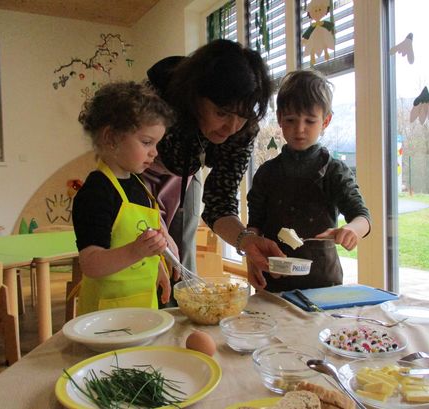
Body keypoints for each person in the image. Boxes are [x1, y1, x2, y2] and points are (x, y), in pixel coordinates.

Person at [144, 39, 285, 305]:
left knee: (180, 261)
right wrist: (150, 225)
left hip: (184, 176)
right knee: (146, 257)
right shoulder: (156, 101)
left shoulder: (242, 130)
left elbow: (220, 203)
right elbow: (123, 163)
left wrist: (247, 241)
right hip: (135, 173)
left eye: (242, 116)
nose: (231, 127)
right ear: (195, 97)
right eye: (221, 113)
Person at [246, 70, 371, 292]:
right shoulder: (267, 173)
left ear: (326, 121)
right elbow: (254, 225)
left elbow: (362, 217)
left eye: (310, 121)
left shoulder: (334, 171)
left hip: (323, 284)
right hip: (274, 282)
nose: (299, 129)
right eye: (291, 120)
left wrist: (353, 230)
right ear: (280, 119)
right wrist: (251, 259)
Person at [72, 81, 175, 315]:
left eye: (156, 144)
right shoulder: (96, 193)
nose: (154, 152)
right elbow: (91, 264)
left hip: (143, 308)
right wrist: (136, 251)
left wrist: (158, 268)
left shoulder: (139, 185)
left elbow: (143, 245)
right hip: (105, 316)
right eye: (147, 142)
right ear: (111, 138)